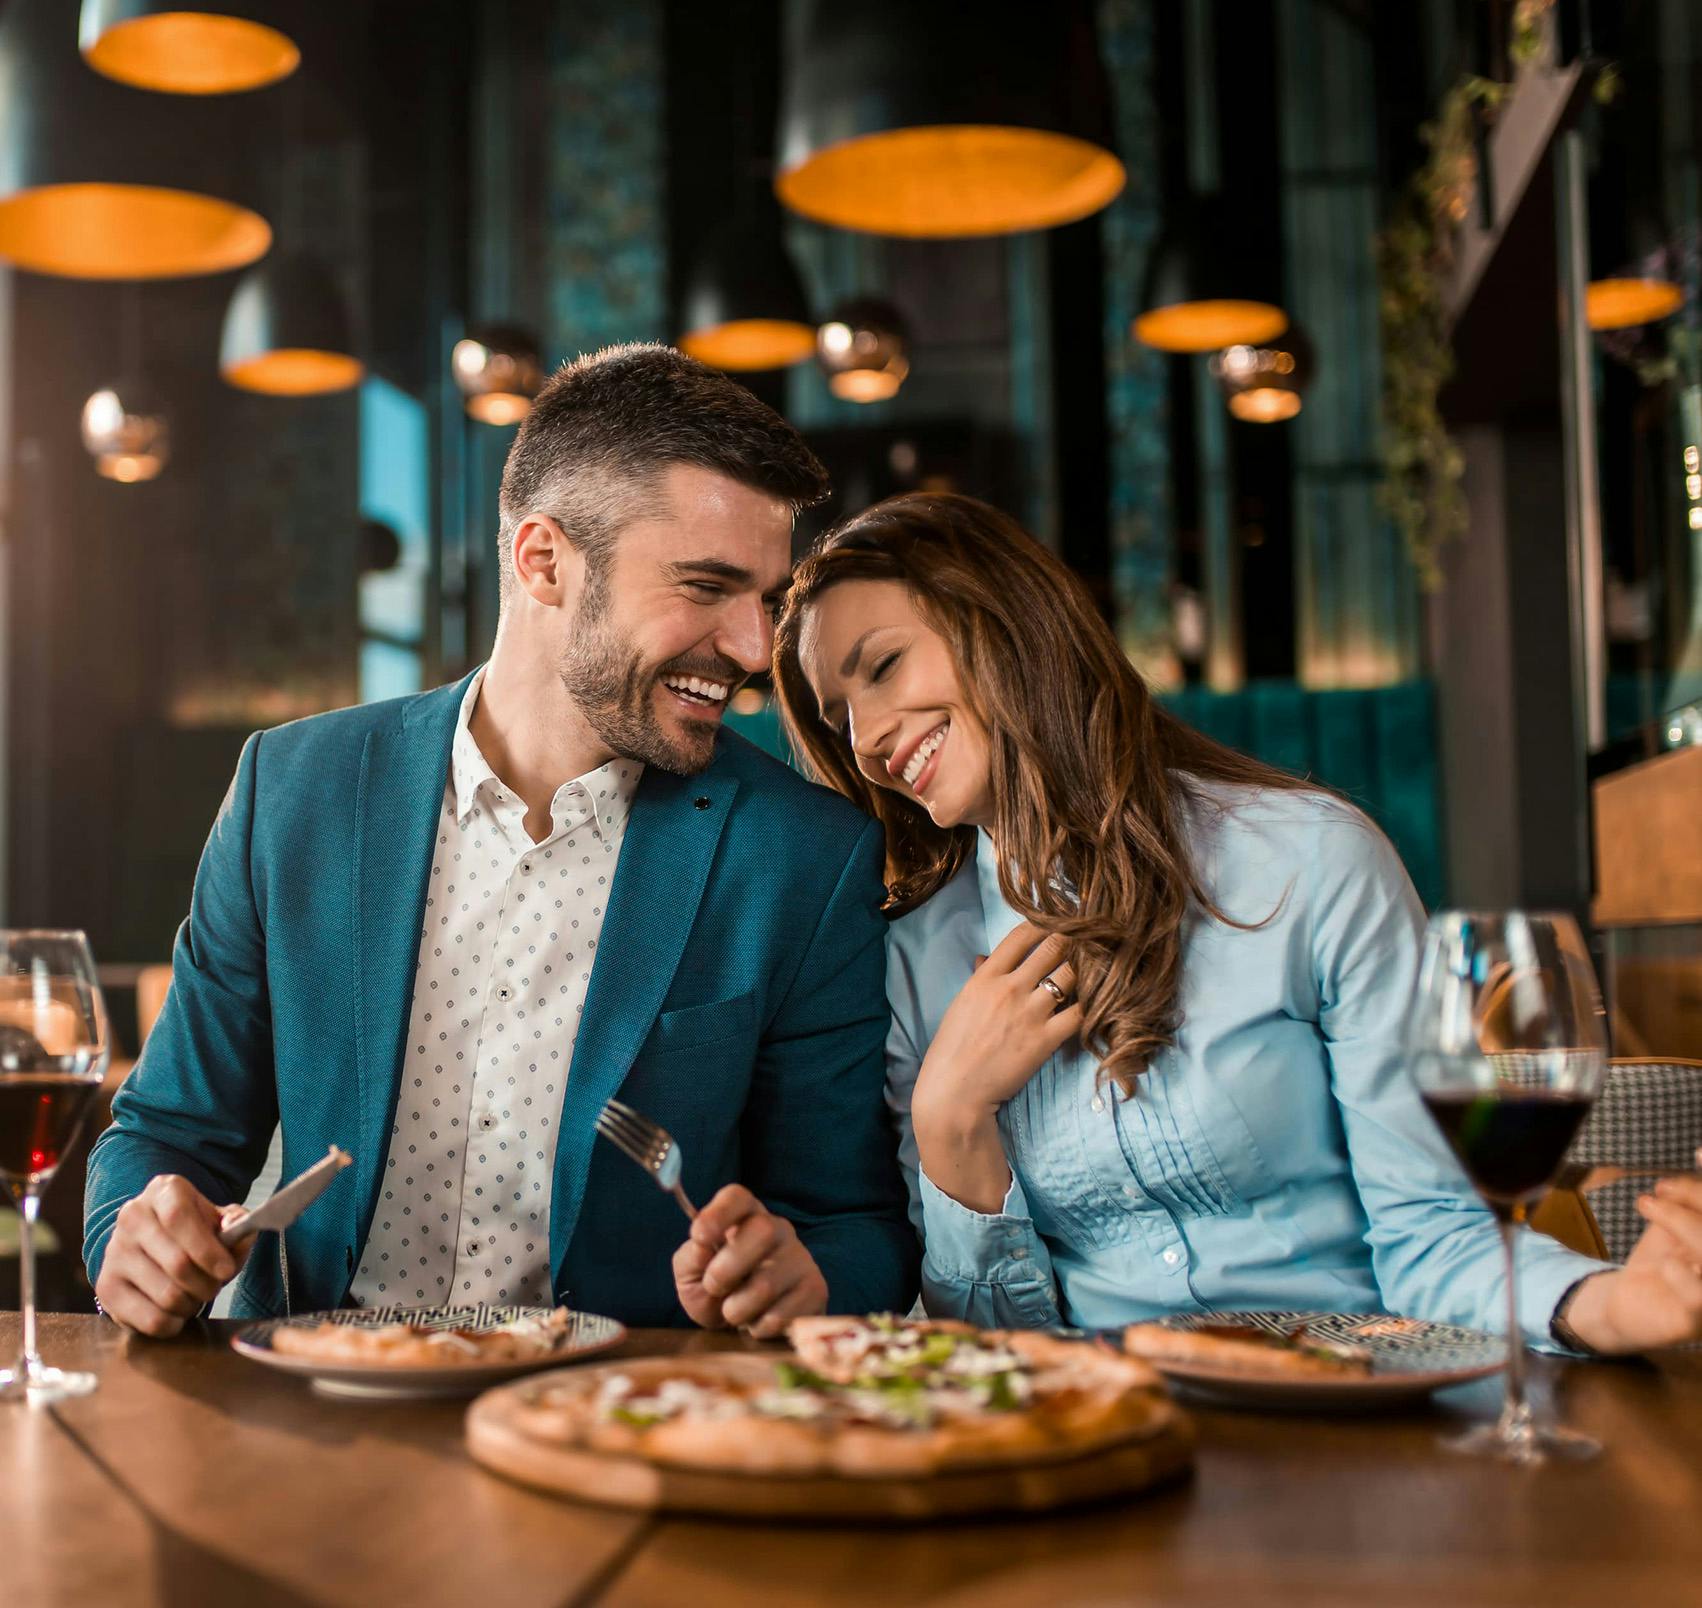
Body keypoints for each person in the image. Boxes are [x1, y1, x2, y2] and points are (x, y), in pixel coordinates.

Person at [85, 344, 917, 1337]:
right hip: (310, 1402)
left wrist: (806, 1275)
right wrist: (131, 1236)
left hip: (610, 1424)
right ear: (543, 560)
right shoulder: (292, 791)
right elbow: (166, 1134)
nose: (750, 649)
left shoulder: (807, 858)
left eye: (766, 601)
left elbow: (856, 1229)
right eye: (705, 587)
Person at [772, 490, 1702, 1355]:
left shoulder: (1307, 863)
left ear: (1005, 623)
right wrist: (950, 1118)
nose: (866, 739)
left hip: (1354, 1414)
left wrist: (1620, 1303)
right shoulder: (910, 965)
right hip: (1104, 1443)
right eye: (839, 714)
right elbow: (995, 1350)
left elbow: (1436, 1241)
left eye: (885, 666)